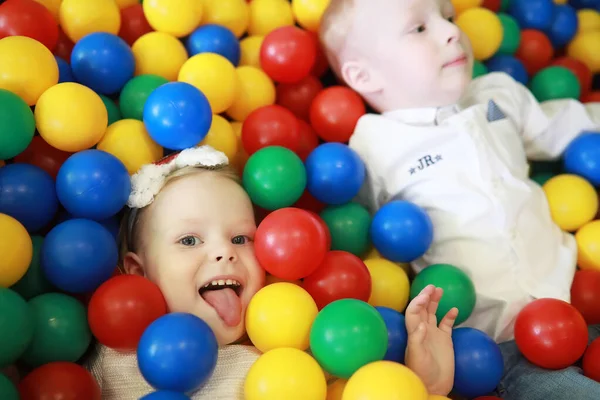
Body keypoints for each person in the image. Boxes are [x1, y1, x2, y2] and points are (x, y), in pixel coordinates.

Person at [318, 0, 600, 399]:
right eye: (419, 29)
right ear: (363, 75)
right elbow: (359, 234)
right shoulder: (374, 145)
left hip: (580, 291)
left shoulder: (497, 95)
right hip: (500, 342)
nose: (451, 31)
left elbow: (561, 127)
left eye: (448, 17)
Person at [86, 145, 459, 399]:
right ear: (139, 271)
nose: (223, 252)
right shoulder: (113, 361)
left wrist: (427, 382)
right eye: (189, 241)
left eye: (240, 238)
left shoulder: (299, 350)